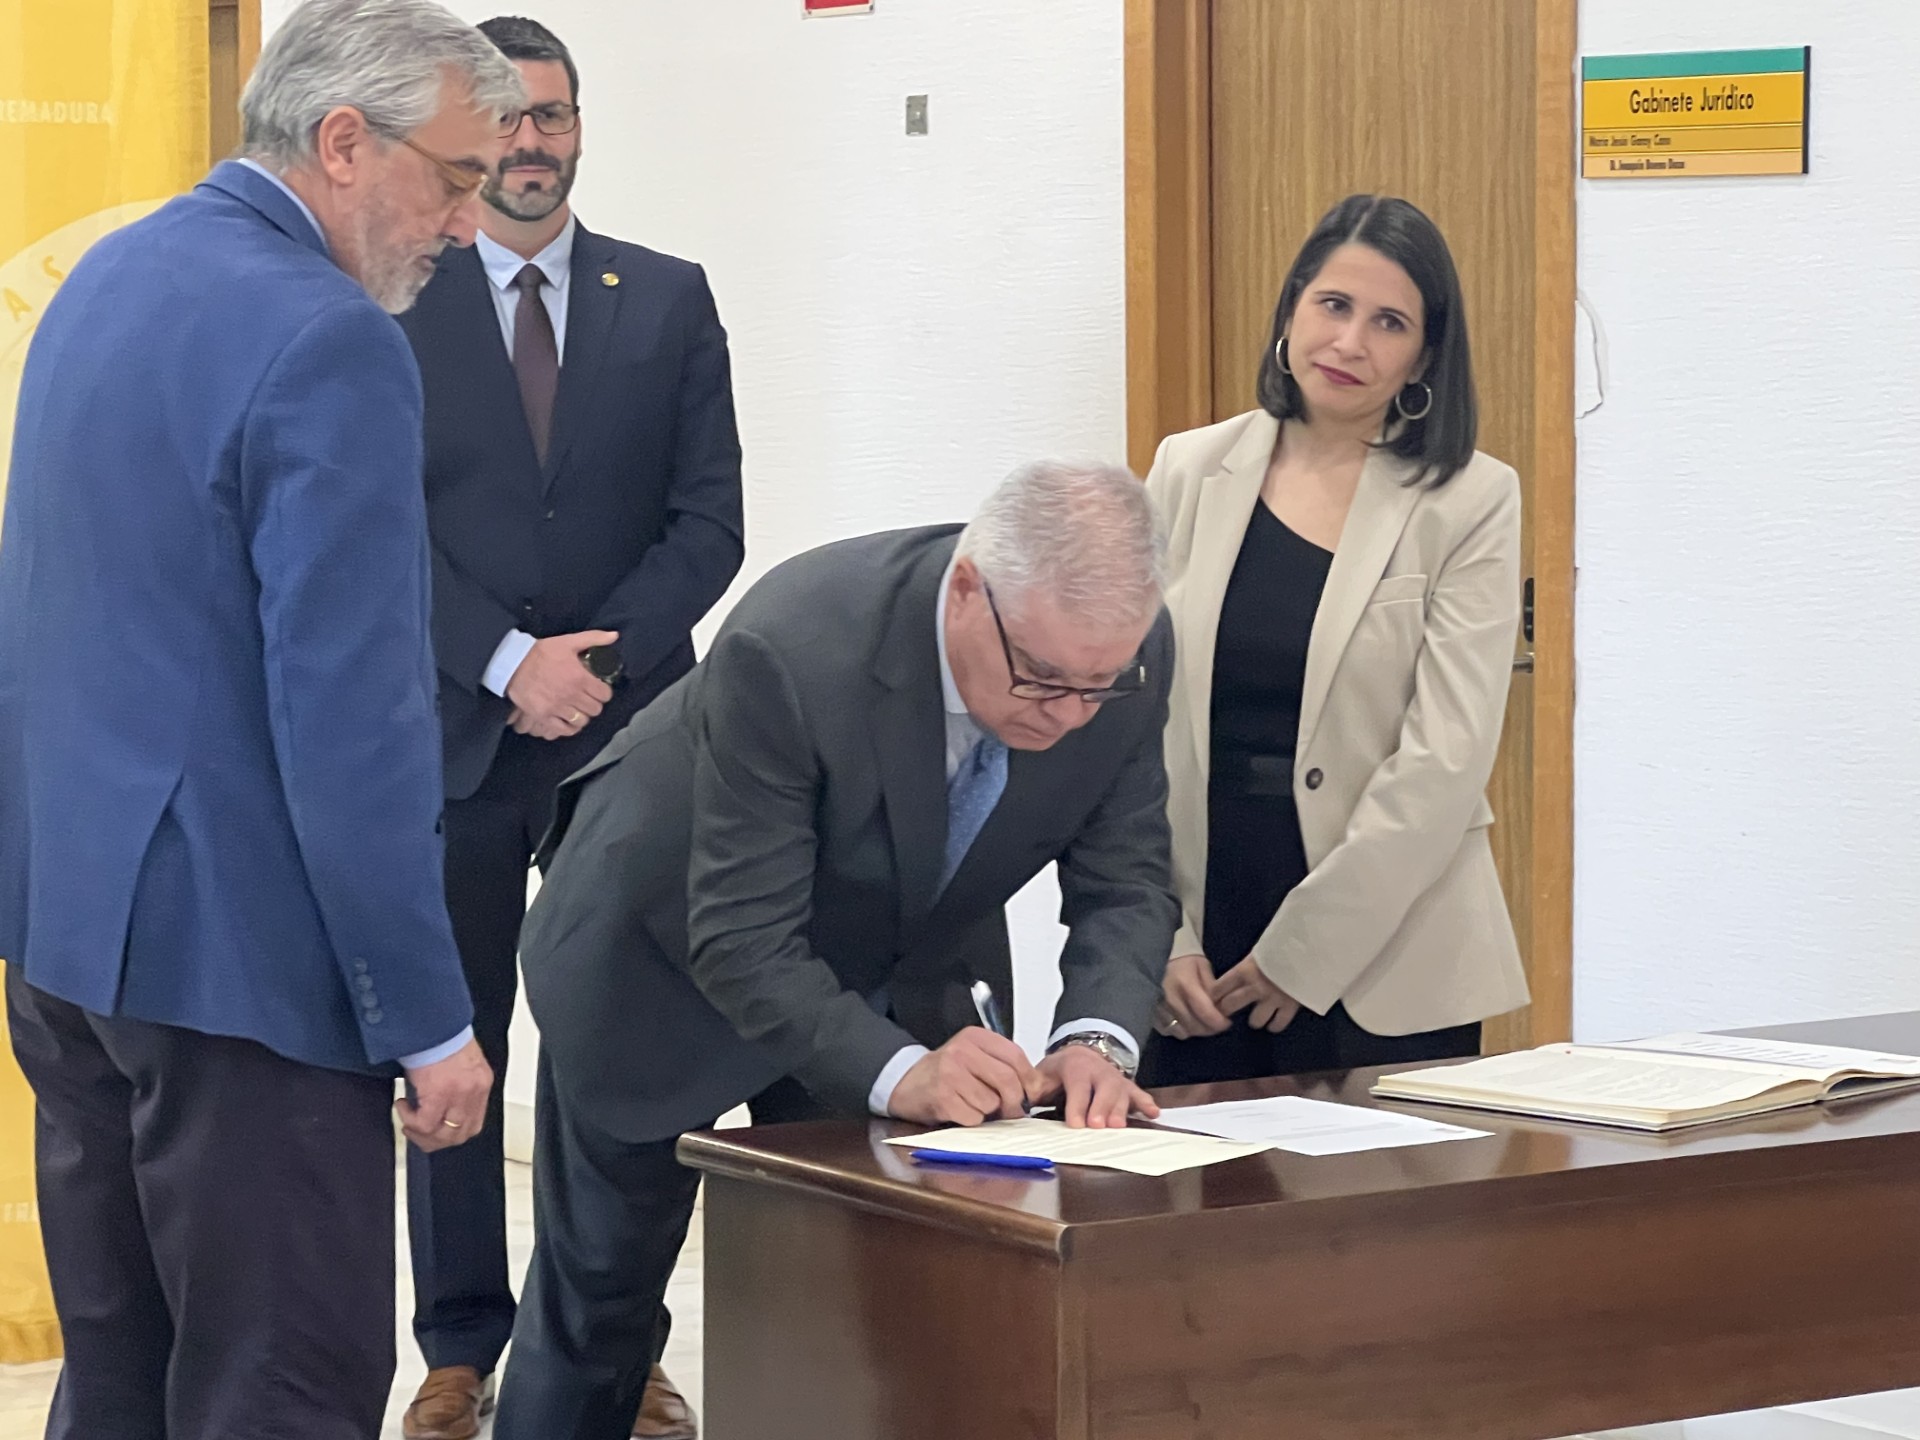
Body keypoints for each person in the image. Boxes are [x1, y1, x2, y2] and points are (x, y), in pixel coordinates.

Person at [0, 3, 522, 1436]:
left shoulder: (107, 273)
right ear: (344, 142)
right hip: (245, 976)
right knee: (280, 1391)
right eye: (456, 177)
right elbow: (352, 723)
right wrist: (428, 1016)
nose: (465, 223)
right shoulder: (328, 338)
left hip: (71, 941)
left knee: (121, 1378)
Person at [491, 460, 1177, 1439]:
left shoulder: (1121, 654)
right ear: (969, 590)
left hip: (891, 954)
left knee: (876, 1297)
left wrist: (1096, 1038)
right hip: (660, 947)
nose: (1069, 715)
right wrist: (902, 1072)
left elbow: (1129, 877)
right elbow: (741, 935)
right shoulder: (797, 641)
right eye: (1042, 680)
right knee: (601, 1302)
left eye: (1097, 688)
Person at [394, 17, 743, 1440]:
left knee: (625, 1051)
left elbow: (710, 522)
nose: (532, 143)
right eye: (509, 120)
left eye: (555, 115)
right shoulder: (393, 302)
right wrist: (503, 663)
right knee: (454, 1047)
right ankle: (459, 1347)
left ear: (581, 126)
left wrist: (588, 666)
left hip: (631, 741)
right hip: (455, 735)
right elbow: (375, 527)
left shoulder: (665, 296)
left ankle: (615, 1347)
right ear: (471, 138)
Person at [1138, 193, 1529, 1089]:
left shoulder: (1470, 499)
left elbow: (1445, 759)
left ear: (1425, 355)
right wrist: (1161, 932)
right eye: (1334, 305)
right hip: (1197, 936)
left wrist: (1306, 952)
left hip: (1384, 944)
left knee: (1376, 1183)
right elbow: (1128, 723)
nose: (1351, 342)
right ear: (1291, 311)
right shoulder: (1187, 469)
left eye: (1390, 323)